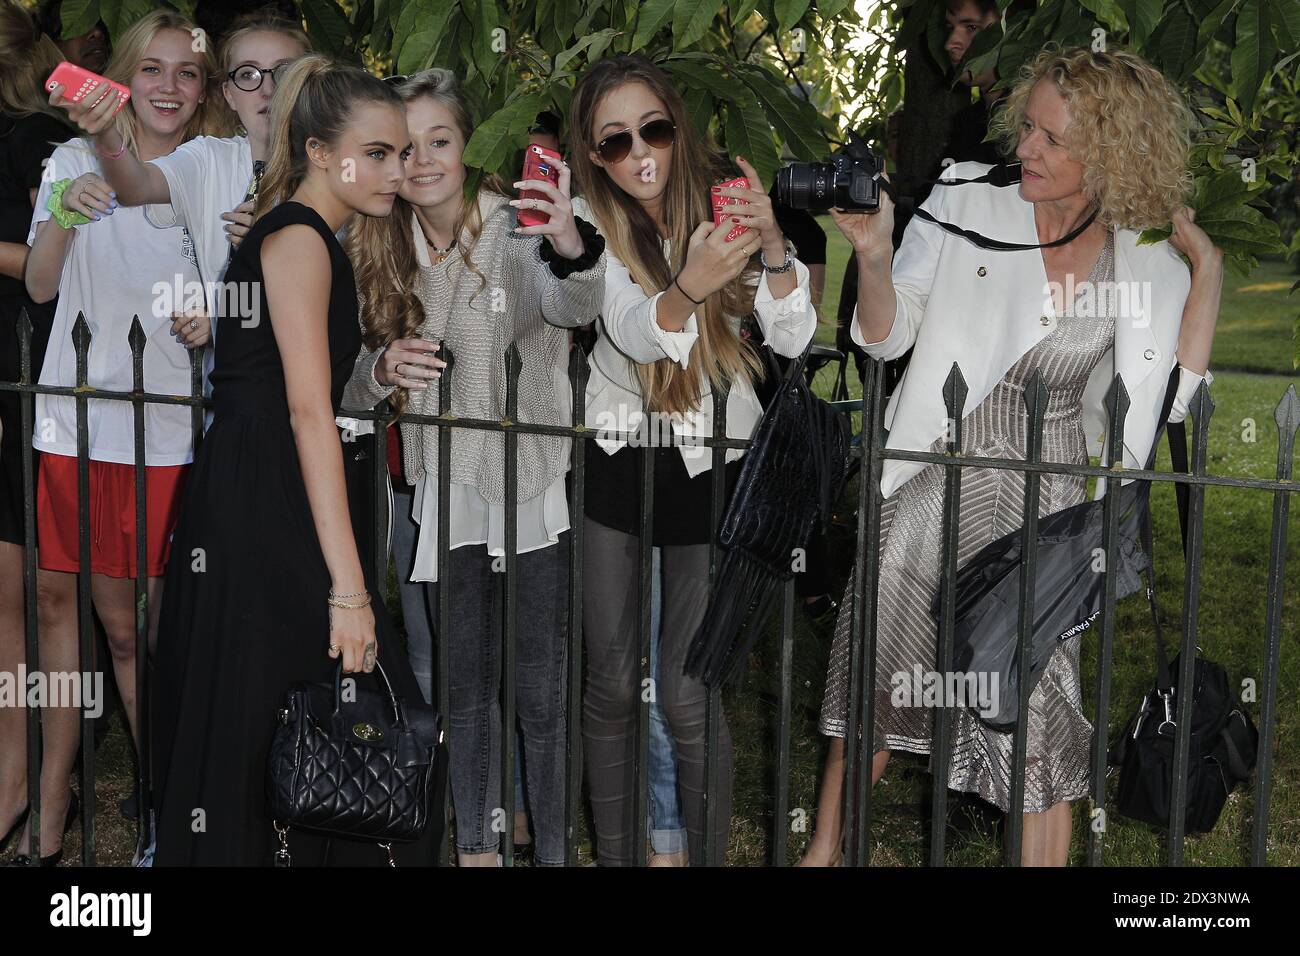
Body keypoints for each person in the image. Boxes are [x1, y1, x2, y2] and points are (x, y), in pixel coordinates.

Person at [799, 46, 1222, 867]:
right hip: (934, 488)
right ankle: (822, 858)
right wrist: (876, 258)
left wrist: (1205, 268)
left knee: (1037, 730)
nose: (1024, 146)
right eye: (1026, 125)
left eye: (1049, 138)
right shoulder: (967, 199)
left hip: (1050, 521)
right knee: (877, 702)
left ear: (1109, 154)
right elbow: (886, 333)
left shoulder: (1142, 254)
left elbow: (1173, 399)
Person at [150, 54, 437, 867]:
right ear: (319, 151)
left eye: (404, 152)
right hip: (269, 500)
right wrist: (350, 589)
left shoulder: (305, 237)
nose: (399, 169)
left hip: (263, 490)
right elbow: (308, 412)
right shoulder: (302, 241)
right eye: (378, 153)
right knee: (288, 702)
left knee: (273, 705)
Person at [343, 67, 605, 867]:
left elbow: (571, 304)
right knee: (464, 688)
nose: (422, 161)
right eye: (405, 146)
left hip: (526, 488)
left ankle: (554, 850)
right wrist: (381, 371)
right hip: (444, 490)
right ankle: (480, 852)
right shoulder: (381, 244)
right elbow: (350, 382)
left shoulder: (519, 230)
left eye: (441, 141)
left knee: (540, 692)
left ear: (469, 147)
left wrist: (568, 242)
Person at [561, 53, 817, 865]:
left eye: (654, 128)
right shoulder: (587, 221)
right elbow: (633, 329)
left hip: (712, 471)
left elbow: (793, 340)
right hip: (616, 463)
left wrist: (773, 249)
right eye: (615, 140)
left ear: (677, 127)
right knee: (608, 684)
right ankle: (622, 854)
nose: (639, 150)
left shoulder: (724, 206)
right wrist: (694, 282)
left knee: (684, 689)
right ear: (592, 154)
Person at [11, 8, 221, 867]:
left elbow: (239, 295)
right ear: (121, 78)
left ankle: (171, 802)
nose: (169, 86)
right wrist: (61, 211)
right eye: (153, 69)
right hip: (73, 415)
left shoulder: (217, 167)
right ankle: (52, 800)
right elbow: (39, 286)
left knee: (137, 629)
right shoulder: (66, 159)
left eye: (189, 73)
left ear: (203, 91)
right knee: (66, 605)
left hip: (167, 428)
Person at [0, 0, 74, 860]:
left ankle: (48, 792)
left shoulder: (33, 140)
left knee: (51, 596)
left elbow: (62, 260)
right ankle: (14, 782)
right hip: (9, 377)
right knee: (8, 603)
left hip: (40, 374)